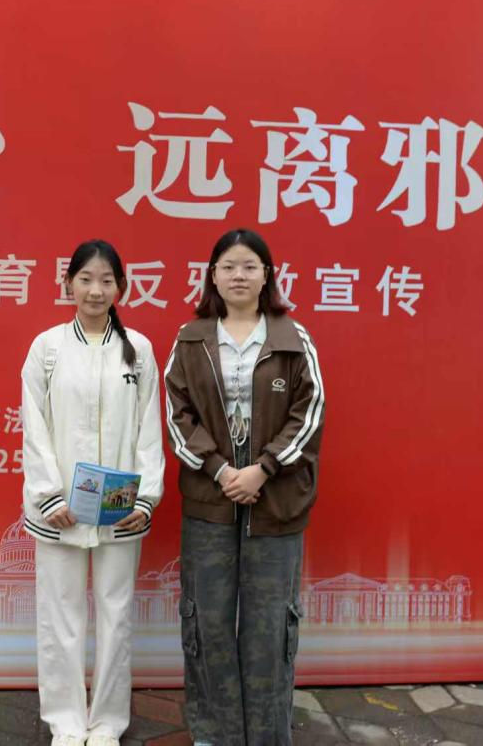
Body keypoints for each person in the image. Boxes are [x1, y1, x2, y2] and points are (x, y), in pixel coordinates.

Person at [164, 228, 326, 746]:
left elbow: (309, 413)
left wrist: (263, 468)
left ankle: (267, 735)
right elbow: (177, 414)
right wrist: (220, 470)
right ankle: (215, 734)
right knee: (207, 621)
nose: (239, 275)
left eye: (249, 266)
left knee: (269, 626)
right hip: (209, 498)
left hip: (275, 500)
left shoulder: (292, 339)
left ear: (266, 276)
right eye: (229, 266)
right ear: (212, 276)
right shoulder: (191, 339)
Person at [21, 239, 165, 746]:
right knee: (59, 616)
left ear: (121, 287)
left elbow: (150, 427)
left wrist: (146, 498)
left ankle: (106, 724)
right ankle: (65, 722)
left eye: (106, 280)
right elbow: (34, 426)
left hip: (120, 509)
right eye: (85, 279)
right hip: (58, 509)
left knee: (116, 615)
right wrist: (49, 494)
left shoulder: (138, 350)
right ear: (69, 284)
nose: (96, 290)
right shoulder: (47, 348)